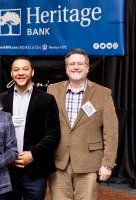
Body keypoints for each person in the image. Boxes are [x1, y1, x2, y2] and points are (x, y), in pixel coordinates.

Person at [47, 48, 118, 200]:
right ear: (66, 68)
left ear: (87, 67)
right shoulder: (52, 90)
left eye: (80, 63)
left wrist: (108, 164)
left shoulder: (103, 93)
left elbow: (111, 132)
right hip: (58, 162)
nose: (76, 67)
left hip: (89, 163)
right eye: (72, 64)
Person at [0, 57, 61, 200]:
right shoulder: (0, 100)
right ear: (11, 73)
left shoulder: (47, 99)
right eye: (16, 69)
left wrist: (33, 154)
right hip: (8, 169)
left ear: (32, 72)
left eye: (25, 69)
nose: (21, 73)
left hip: (36, 169)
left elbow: (53, 135)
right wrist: (9, 156)